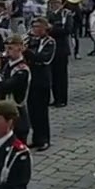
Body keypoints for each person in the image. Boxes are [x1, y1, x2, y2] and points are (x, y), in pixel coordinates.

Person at [23, 17, 55, 150]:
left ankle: (44, 139)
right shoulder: (31, 40)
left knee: (42, 112)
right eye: (34, 26)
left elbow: (44, 59)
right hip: (31, 79)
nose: (35, 29)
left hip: (42, 80)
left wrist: (26, 51)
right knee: (32, 111)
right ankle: (36, 138)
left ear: (44, 28)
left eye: (38, 27)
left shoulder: (50, 42)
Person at [47, 0, 73, 107]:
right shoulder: (49, 14)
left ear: (61, 4)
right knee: (52, 75)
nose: (54, 5)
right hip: (51, 48)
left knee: (61, 76)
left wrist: (51, 29)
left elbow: (68, 30)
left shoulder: (66, 15)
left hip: (62, 48)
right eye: (52, 3)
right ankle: (56, 97)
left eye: (57, 3)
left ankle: (62, 99)